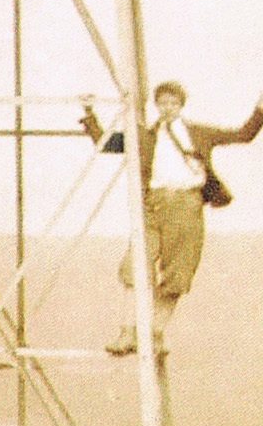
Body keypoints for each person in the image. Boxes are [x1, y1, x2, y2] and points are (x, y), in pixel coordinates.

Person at [81, 82, 263, 356]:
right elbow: (106, 143)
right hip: (154, 206)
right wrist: (89, 113)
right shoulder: (144, 136)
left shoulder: (197, 133)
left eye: (173, 103)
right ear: (157, 105)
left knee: (178, 274)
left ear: (181, 105)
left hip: (187, 206)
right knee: (136, 265)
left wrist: (260, 110)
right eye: (163, 103)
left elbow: (243, 135)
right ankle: (127, 332)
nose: (167, 108)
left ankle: (155, 333)